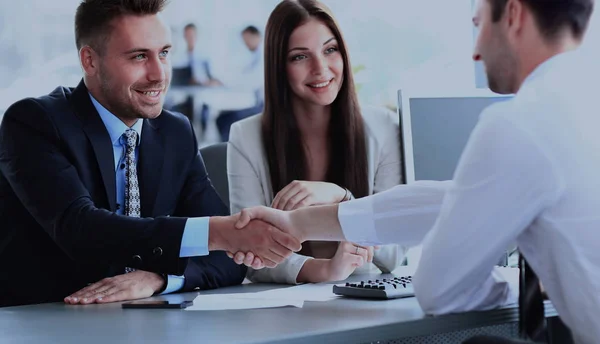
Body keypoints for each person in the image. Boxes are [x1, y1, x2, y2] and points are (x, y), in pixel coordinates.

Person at [231, 0, 599, 342]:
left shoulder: (521, 123)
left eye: (479, 24)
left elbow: (441, 288)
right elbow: (451, 199)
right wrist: (300, 225)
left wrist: (515, 282)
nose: (476, 50)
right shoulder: (580, 100)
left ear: (514, 15)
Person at [0, 0, 300, 308]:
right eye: (139, 56)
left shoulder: (174, 132)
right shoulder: (34, 122)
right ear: (90, 61)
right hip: (42, 319)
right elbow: (80, 228)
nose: (159, 74)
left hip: (145, 323)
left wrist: (159, 279)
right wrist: (217, 232)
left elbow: (229, 259)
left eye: (165, 53)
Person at [227, 0, 405, 284]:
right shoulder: (245, 136)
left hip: (366, 301)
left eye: (330, 49)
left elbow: (393, 252)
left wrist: (342, 198)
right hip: (281, 308)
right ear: (279, 67)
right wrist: (325, 271)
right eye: (300, 57)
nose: (321, 69)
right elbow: (251, 253)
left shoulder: (385, 128)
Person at [215, 25, 265, 142]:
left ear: (256, 36)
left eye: (246, 39)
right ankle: (226, 151)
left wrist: (225, 83)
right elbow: (244, 77)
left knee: (226, 120)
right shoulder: (256, 56)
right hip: (258, 103)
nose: (245, 43)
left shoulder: (265, 55)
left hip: (263, 107)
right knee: (222, 117)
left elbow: (251, 81)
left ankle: (227, 152)